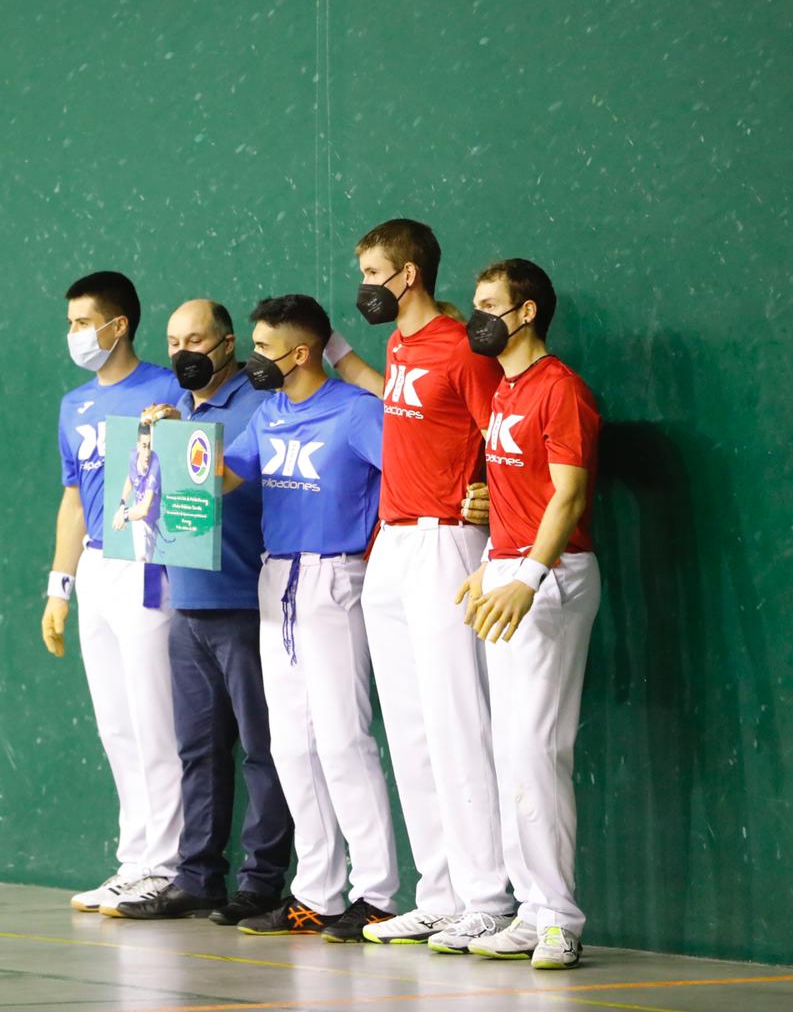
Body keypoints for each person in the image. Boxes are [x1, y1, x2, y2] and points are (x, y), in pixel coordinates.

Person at [350, 219, 516, 953]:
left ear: (408, 275)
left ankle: (489, 896)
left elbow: (501, 433)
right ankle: (440, 893)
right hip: (392, 543)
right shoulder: (400, 345)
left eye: (374, 272)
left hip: (450, 542)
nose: (366, 286)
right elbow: (405, 408)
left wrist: (489, 498)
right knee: (411, 730)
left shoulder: (463, 348)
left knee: (456, 722)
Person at [216, 294, 401, 941]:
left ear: (300, 353)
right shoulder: (268, 413)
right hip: (277, 579)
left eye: (264, 348)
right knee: (292, 745)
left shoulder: (356, 413)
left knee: (344, 741)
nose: (254, 359)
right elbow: (226, 476)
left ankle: (376, 894)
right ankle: (318, 894)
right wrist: (168, 439)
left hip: (336, 578)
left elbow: (407, 474)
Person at [109, 299, 295, 927]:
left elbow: (243, 482)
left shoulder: (261, 405)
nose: (183, 350)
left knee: (264, 751)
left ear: (228, 343)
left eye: (196, 338)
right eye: (173, 339)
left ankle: (263, 883)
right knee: (199, 749)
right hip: (185, 603)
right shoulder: (176, 410)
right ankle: (198, 878)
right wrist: (153, 440)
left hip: (246, 601)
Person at [455, 259, 601, 970]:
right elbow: (516, 496)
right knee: (508, 747)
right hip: (510, 570)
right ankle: (530, 906)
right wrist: (492, 566)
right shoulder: (507, 392)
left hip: (555, 574)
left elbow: (567, 498)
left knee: (538, 747)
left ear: (528, 312)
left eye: (489, 304)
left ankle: (560, 917)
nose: (477, 315)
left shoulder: (560, 389)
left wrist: (530, 576)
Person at [43, 271, 186, 913]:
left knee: (155, 717)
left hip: (152, 562)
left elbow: (191, 477)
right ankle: (135, 860)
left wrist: (175, 427)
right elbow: (73, 501)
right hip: (98, 567)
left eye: (82, 322)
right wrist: (59, 587)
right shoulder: (74, 405)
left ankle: (169, 863)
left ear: (117, 324)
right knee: (116, 722)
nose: (74, 334)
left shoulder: (166, 387)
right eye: (70, 323)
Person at [112, 422, 163, 562]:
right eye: (144, 446)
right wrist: (122, 504)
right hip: (136, 510)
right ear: (138, 445)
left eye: (150, 446)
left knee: (146, 560)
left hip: (150, 519)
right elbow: (130, 478)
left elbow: (144, 510)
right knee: (140, 559)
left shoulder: (155, 466)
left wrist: (123, 515)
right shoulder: (133, 456)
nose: (147, 453)